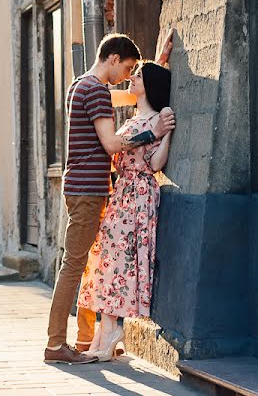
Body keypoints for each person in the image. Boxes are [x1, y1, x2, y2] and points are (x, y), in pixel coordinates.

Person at [44, 33, 175, 365]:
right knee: (75, 265)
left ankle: (86, 338)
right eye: (129, 67)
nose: (128, 76)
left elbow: (129, 98)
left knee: (90, 263)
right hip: (89, 191)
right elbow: (113, 145)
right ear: (114, 58)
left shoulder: (81, 85)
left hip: (80, 187)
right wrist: (154, 133)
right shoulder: (96, 92)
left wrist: (155, 68)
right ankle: (57, 343)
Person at [77, 61, 173, 361]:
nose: (132, 77)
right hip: (122, 194)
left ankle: (108, 332)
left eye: (139, 75)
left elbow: (156, 164)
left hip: (139, 195)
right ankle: (105, 333)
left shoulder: (157, 119)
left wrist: (166, 132)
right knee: (107, 261)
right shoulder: (134, 118)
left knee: (117, 262)